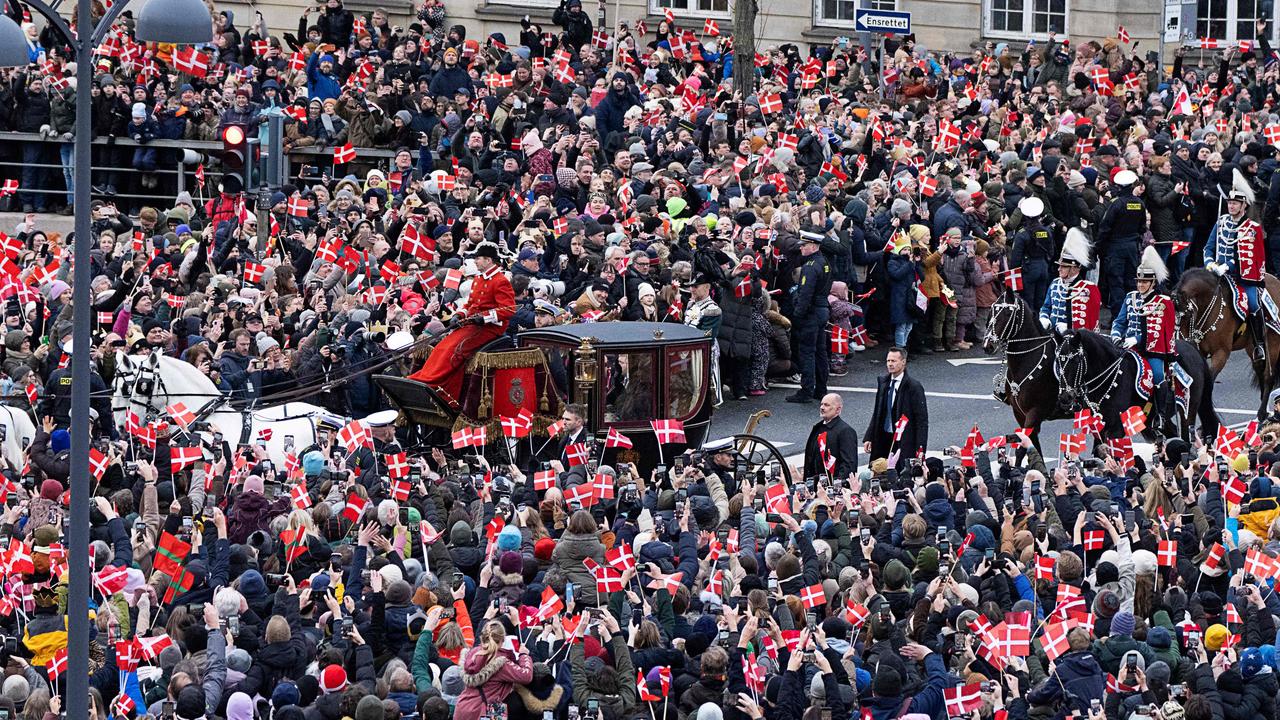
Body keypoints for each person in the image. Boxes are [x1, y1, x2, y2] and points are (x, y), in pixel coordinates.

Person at [409, 242, 516, 406]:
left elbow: (509, 309)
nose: (476, 262)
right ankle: (426, 376)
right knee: (444, 344)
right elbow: (471, 304)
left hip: (490, 328)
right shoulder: (479, 278)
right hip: (473, 323)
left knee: (457, 349)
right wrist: (459, 314)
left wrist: (485, 317)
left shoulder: (500, 280)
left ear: (488, 260)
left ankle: (434, 381)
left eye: (478, 259)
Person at [1113, 247, 1177, 426]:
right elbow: (1120, 321)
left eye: (1144, 282)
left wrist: (1137, 339)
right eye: (1139, 281)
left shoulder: (1162, 302)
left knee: (1157, 375)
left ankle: (1161, 415)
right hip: (1127, 346)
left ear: (1153, 283)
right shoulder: (1130, 297)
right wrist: (1116, 337)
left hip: (1151, 349)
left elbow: (1158, 331)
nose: (1140, 285)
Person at [1206, 188, 1269, 357]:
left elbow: (1252, 256)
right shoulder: (1221, 223)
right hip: (1217, 274)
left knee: (1254, 304)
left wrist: (1228, 266)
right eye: (1230, 203)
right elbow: (1209, 247)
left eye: (1235, 203)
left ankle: (1259, 344)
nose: (1231, 206)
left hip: (1242, 277)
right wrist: (1210, 263)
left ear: (1244, 206)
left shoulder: (1252, 228)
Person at [863, 347, 928, 468]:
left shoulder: (913, 386)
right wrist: (869, 436)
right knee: (879, 473)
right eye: (888, 361)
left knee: (900, 475)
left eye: (893, 361)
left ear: (903, 362)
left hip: (903, 440)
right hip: (883, 437)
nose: (890, 364)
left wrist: (921, 449)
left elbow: (921, 421)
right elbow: (877, 412)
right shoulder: (883, 382)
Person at [787, 231, 832, 404]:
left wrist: (797, 314)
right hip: (821, 310)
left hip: (811, 313)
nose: (801, 249)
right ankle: (821, 388)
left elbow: (805, 293)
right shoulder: (824, 262)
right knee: (820, 352)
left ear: (813, 246)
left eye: (804, 246)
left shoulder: (811, 266)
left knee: (807, 352)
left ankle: (806, 390)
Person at [1096, 169, 1147, 317]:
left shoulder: (1116, 204)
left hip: (1116, 248)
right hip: (1132, 247)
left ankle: (1118, 319)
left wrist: (1098, 248)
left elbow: (1105, 228)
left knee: (1116, 283)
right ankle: (1132, 316)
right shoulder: (1139, 204)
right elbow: (1143, 227)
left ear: (1118, 186)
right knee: (1131, 283)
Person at [1039, 227, 1101, 332]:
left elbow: (1090, 321)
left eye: (1063, 266)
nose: (1059, 269)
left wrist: (1070, 327)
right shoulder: (1055, 283)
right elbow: (1046, 307)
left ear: (1073, 268)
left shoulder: (1087, 289)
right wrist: (1044, 318)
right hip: (1052, 334)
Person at [1009, 196, 1054, 312]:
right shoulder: (1046, 231)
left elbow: (1015, 259)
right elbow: (1051, 251)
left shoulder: (1022, 234)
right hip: (1043, 267)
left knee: (1027, 303)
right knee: (1041, 301)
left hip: (1028, 269)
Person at [803, 393, 859, 481]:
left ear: (838, 409)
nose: (822, 407)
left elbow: (848, 464)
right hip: (814, 483)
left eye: (827, 405)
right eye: (821, 404)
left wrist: (837, 485)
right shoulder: (818, 428)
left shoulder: (845, 431)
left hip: (832, 485)